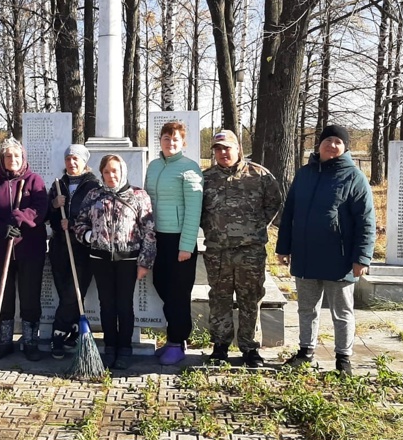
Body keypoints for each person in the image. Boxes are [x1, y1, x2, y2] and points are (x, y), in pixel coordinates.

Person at [276, 124, 376, 376]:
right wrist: (284, 247)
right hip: (306, 256)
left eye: (338, 142)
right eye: (328, 140)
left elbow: (366, 220)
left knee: (341, 312)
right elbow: (289, 214)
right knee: (306, 309)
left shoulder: (354, 177)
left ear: (345, 147)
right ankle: (305, 352)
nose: (332, 145)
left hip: (339, 259)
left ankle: (343, 359)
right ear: (319, 145)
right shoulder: (305, 174)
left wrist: (362, 257)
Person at [200, 130, 282, 367]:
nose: (223, 153)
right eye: (218, 149)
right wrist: (213, 229)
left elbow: (273, 203)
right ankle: (220, 346)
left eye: (227, 148)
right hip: (218, 251)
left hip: (250, 251)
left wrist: (255, 228)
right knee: (219, 298)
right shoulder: (205, 179)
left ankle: (249, 348)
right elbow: (198, 211)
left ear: (238, 149)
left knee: (250, 299)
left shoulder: (259, 175)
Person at [75, 155, 157, 370]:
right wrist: (88, 236)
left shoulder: (138, 195)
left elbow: (148, 231)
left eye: (115, 171)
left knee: (124, 305)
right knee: (107, 305)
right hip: (100, 259)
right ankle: (110, 347)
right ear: (101, 174)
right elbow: (80, 222)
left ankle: (125, 348)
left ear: (123, 171)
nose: (111, 176)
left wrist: (145, 262)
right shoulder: (94, 195)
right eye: (106, 172)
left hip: (128, 259)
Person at [0, 138, 48, 361]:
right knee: (2, 296)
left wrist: (20, 218)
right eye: (8, 156)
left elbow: (40, 208)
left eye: (16, 156)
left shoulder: (34, 181)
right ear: (2, 159)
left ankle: (30, 341)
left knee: (29, 296)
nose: (12, 160)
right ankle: (4, 341)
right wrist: (0, 227)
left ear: (23, 158)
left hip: (29, 248)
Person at [144, 121, 204, 366]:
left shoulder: (190, 169)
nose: (170, 143)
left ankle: (177, 342)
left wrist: (186, 246)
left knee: (179, 294)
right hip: (158, 238)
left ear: (183, 143)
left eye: (175, 139)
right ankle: (174, 337)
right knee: (161, 285)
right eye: (166, 138)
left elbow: (193, 211)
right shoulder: (155, 166)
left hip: (180, 239)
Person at [46, 144, 100, 359]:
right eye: (68, 158)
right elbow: (48, 218)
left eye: (76, 158)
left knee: (73, 294)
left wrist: (75, 223)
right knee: (64, 293)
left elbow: (96, 216)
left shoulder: (93, 186)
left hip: (82, 249)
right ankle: (75, 331)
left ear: (84, 161)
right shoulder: (58, 185)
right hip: (60, 247)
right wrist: (53, 205)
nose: (71, 162)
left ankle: (57, 333)